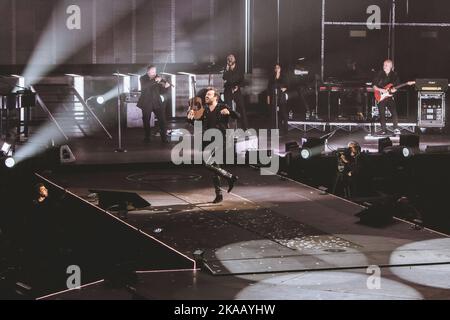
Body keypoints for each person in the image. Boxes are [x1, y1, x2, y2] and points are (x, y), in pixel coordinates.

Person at [188, 88, 239, 204]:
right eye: (206, 95)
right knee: (215, 167)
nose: (206, 96)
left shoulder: (222, 107)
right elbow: (199, 124)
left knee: (208, 163)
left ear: (216, 97)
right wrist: (190, 119)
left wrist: (229, 112)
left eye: (209, 95)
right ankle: (219, 194)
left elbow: (237, 115)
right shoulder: (205, 110)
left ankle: (229, 176)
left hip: (221, 139)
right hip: (208, 140)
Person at [138, 65, 171, 143]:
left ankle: (164, 138)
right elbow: (145, 86)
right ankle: (147, 137)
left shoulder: (158, 78)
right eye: (152, 72)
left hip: (157, 102)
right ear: (148, 71)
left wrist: (166, 86)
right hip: (146, 102)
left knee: (162, 120)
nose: (154, 73)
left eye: (155, 72)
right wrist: (155, 80)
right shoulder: (143, 78)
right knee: (146, 120)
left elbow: (163, 89)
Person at [373, 60, 401, 135]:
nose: (384, 66)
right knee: (382, 114)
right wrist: (381, 89)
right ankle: (384, 130)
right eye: (384, 65)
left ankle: (396, 128)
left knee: (394, 112)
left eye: (386, 65)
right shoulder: (379, 74)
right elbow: (374, 86)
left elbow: (396, 86)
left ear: (390, 66)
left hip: (389, 96)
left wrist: (395, 90)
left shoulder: (394, 75)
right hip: (380, 96)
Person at [223, 54, 248, 130]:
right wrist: (227, 69)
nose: (230, 59)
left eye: (231, 58)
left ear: (234, 60)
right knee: (228, 109)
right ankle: (229, 128)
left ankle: (245, 128)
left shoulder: (239, 69)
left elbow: (243, 81)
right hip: (228, 90)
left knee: (242, 109)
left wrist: (238, 86)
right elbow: (224, 77)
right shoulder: (226, 68)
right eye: (228, 58)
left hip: (237, 90)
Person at [267, 64, 289, 135]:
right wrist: (268, 97)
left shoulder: (283, 77)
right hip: (274, 97)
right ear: (274, 69)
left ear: (280, 69)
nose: (277, 69)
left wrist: (285, 88)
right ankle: (273, 130)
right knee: (273, 114)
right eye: (276, 68)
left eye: (278, 68)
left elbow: (287, 85)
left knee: (283, 113)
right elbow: (269, 88)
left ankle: (285, 131)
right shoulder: (272, 77)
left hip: (281, 96)